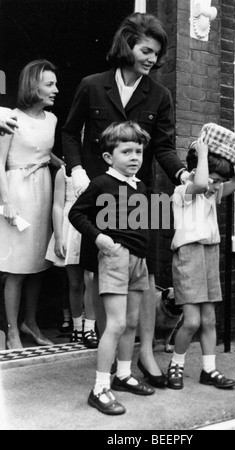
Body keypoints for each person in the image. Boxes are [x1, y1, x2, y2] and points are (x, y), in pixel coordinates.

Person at [62, 12, 189, 387]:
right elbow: (70, 133)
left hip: (141, 195)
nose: (151, 58)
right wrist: (76, 170)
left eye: (156, 53)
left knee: (145, 276)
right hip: (100, 191)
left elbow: (163, 147)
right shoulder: (92, 85)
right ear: (127, 45)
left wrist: (181, 174)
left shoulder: (160, 95)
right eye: (145, 50)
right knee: (101, 275)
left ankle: (146, 355)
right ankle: (116, 364)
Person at [69, 121, 155, 416]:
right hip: (115, 259)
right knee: (116, 324)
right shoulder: (101, 184)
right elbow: (76, 214)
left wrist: (142, 255)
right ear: (109, 157)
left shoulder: (140, 186)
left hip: (137, 262)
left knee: (131, 324)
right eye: (126, 151)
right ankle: (99, 388)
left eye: (139, 151)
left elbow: (144, 224)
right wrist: (99, 238)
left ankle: (123, 374)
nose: (134, 157)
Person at [167, 136, 235, 390]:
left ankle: (209, 369)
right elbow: (202, 182)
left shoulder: (211, 194)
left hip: (210, 254)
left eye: (218, 183)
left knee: (209, 320)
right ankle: (176, 364)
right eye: (214, 181)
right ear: (196, 171)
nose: (216, 187)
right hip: (188, 255)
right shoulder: (184, 192)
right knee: (191, 321)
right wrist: (202, 152)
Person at [0, 60, 59, 350]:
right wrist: (6, 200)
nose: (56, 90)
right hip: (17, 192)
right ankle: (12, 330)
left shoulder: (52, 120)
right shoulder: (10, 117)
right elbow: (0, 161)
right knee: (17, 267)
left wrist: (68, 167)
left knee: (39, 263)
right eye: (49, 84)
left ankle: (31, 323)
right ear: (32, 86)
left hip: (43, 191)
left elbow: (46, 154)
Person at [46, 165, 98, 348]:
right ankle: (77, 326)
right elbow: (57, 205)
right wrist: (59, 236)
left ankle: (89, 328)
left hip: (91, 225)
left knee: (91, 279)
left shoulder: (98, 165)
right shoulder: (64, 170)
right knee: (75, 283)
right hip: (71, 227)